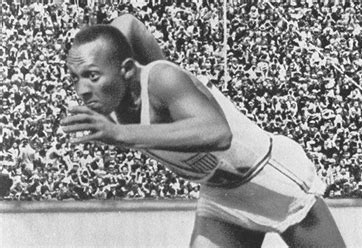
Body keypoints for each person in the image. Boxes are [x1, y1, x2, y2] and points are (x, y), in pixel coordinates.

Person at [61, 14, 345, 247]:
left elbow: (218, 133)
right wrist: (99, 49)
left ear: (123, 68)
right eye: (76, 78)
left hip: (269, 178)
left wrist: (122, 133)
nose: (83, 90)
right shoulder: (109, 97)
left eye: (92, 75)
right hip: (222, 197)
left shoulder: (161, 80)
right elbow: (128, 24)